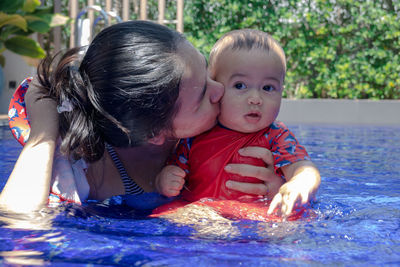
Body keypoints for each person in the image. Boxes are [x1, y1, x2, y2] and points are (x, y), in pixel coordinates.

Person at [0, 21, 284, 214]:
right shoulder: (85, 170)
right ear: (155, 133)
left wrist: (276, 192)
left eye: (206, 71)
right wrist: (43, 136)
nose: (221, 90)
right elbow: (19, 225)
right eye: (201, 99)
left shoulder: (227, 126)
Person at [155, 29, 321, 217]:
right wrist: (165, 179)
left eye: (268, 88)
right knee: (166, 214)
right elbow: (175, 168)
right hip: (203, 212)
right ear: (215, 87)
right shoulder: (197, 133)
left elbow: (305, 169)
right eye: (240, 85)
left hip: (255, 215)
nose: (255, 98)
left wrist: (298, 184)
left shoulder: (276, 136)